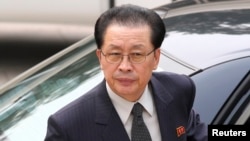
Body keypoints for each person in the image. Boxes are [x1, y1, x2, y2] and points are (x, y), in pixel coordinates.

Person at [44, 4, 207, 141]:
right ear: (100, 58)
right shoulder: (68, 126)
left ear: (156, 58)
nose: (125, 66)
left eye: (137, 54)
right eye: (114, 54)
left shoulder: (178, 90)